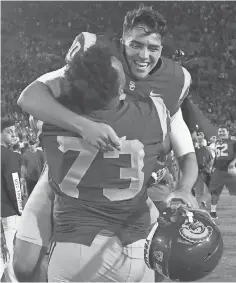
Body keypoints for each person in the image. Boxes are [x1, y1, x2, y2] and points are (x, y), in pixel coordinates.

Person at [14, 5, 198, 281]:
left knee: (162, 259)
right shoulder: (96, 60)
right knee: (24, 266)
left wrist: (183, 188)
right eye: (135, 45)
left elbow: (185, 148)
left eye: (152, 47)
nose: (143, 55)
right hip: (68, 173)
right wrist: (84, 125)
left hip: (137, 180)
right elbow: (29, 97)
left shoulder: (175, 82)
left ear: (162, 48)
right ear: (122, 40)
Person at [32, 43, 171, 281]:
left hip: (72, 249)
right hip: (133, 250)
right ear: (119, 91)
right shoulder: (152, 114)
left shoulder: (49, 122)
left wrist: (72, 77)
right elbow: (165, 145)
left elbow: (33, 94)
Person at [1, 118, 23, 282]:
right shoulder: (9, 156)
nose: (14, 135)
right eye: (10, 132)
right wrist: (20, 209)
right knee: (6, 252)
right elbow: (14, 186)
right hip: (7, 211)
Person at [209, 126, 236, 219]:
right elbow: (216, 156)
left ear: (228, 132)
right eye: (219, 131)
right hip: (218, 170)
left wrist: (233, 162)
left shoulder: (233, 141)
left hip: (230, 170)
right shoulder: (217, 142)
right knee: (214, 192)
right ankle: (213, 212)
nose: (221, 133)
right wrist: (212, 167)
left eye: (223, 131)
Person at [194, 138, 214, 208]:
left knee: (199, 192)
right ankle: (203, 201)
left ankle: (197, 206)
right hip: (206, 172)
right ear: (205, 143)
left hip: (197, 172)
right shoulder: (207, 150)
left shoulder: (195, 150)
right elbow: (211, 160)